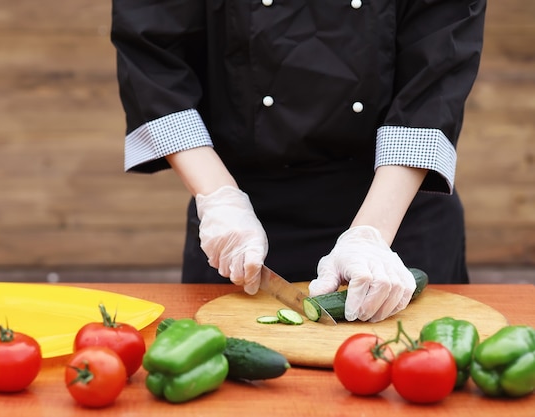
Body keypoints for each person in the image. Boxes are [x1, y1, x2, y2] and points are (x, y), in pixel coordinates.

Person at [110, 1, 487, 322]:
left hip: (397, 219)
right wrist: (218, 198)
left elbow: (437, 70)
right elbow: (151, 55)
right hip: (241, 220)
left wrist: (370, 237)